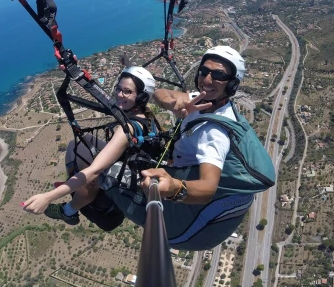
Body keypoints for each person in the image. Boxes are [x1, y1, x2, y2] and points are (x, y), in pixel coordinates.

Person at [103, 46, 269, 250]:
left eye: (218, 75)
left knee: (101, 168)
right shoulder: (201, 101)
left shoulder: (214, 133)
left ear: (232, 85)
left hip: (185, 228)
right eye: (204, 71)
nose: (207, 80)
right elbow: (160, 93)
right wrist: (172, 103)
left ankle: (104, 213)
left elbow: (208, 187)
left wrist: (174, 188)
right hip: (179, 165)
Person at [22, 66, 158, 230]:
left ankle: (69, 211)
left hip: (128, 181)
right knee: (81, 142)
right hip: (132, 163)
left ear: (141, 97)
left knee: (89, 179)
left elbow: (93, 171)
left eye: (127, 91)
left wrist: (47, 197)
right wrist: (127, 64)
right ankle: (74, 184)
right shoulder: (145, 113)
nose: (120, 94)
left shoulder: (128, 128)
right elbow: (108, 97)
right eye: (118, 89)